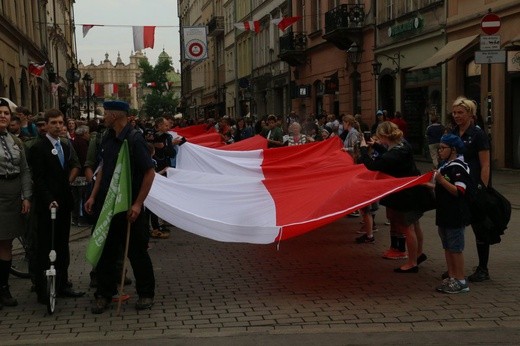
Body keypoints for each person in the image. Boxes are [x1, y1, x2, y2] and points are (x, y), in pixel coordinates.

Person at [85, 100, 156, 314]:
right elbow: (104, 168)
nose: (103, 117)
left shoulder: (134, 139)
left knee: (136, 252)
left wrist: (137, 203)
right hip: (108, 206)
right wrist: (93, 196)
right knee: (107, 253)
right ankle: (104, 294)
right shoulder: (107, 137)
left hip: (128, 208)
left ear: (115, 115)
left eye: (106, 113)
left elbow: (149, 172)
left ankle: (146, 293)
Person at [29, 108, 84, 303]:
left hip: (63, 203)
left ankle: (61, 284)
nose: (58, 126)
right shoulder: (38, 148)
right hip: (47, 205)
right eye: (54, 123)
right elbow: (39, 179)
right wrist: (48, 198)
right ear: (46, 125)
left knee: (62, 246)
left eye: (60, 123)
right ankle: (43, 290)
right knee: (46, 247)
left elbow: (69, 171)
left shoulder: (66, 146)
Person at [358, 121, 426, 273]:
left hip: (405, 194)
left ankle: (412, 262)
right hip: (412, 190)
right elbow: (389, 155)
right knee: (415, 224)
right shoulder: (403, 145)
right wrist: (376, 146)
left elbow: (374, 165)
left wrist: (363, 150)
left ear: (384, 135)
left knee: (407, 228)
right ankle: (418, 254)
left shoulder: (395, 152)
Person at [450, 96, 491, 282]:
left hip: (474, 184)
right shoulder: (454, 132)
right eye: (454, 112)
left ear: (470, 113)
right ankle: (456, 267)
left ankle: (483, 268)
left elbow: (485, 164)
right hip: (458, 184)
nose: (457, 116)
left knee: (479, 226)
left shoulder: (478, 134)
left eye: (460, 112)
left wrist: (482, 187)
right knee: (457, 225)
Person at [0, 98, 32, 308]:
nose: (3, 116)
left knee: (6, 242)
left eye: (6, 113)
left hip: (12, 195)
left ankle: (3, 288)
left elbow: (25, 170)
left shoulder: (16, 141)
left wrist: (26, 196)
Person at [433, 134, 472, 294]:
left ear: (453, 149)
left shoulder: (458, 167)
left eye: (443, 148)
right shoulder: (445, 166)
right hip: (444, 212)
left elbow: (459, 191)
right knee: (447, 247)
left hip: (455, 213)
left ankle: (461, 280)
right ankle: (451, 276)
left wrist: (441, 181)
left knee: (455, 248)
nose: (440, 151)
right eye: (439, 148)